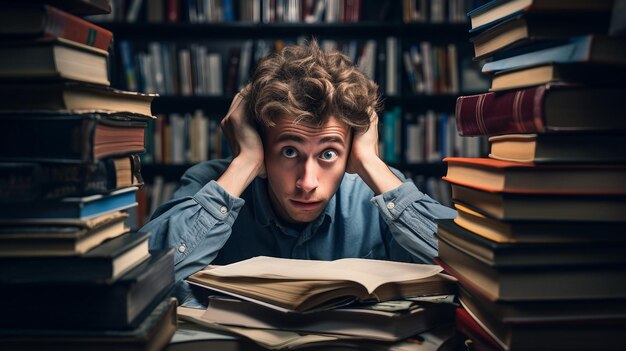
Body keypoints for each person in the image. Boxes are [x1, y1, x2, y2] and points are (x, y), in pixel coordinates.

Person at [142, 41, 456, 305]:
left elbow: (475, 272)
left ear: (352, 149)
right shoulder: (213, 183)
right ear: (261, 144)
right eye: (290, 151)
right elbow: (142, 280)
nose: (307, 183)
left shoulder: (379, 190)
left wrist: (371, 163)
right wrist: (245, 162)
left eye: (329, 153)